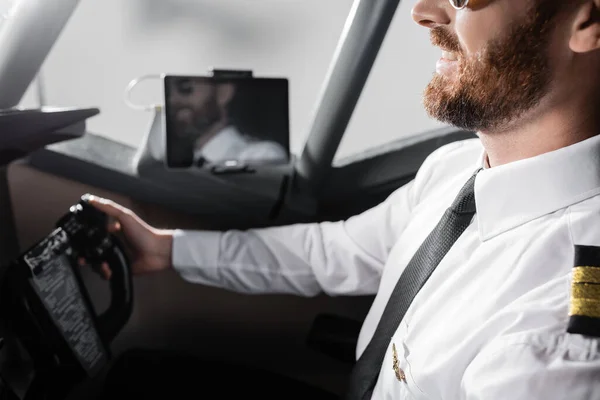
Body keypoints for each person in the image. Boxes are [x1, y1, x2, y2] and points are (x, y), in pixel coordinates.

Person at [92, 0, 600, 398]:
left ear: (587, 20)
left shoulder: (553, 340)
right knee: (137, 375)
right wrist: (168, 249)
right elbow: (335, 250)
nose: (421, 11)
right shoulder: (455, 169)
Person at [166, 77, 289, 166]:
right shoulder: (178, 162)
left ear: (223, 93)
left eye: (185, 87)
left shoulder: (260, 156)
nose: (171, 100)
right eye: (167, 91)